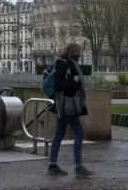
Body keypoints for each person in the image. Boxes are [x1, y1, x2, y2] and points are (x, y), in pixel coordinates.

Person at [48, 43, 93, 177]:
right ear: (71, 52)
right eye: (77, 52)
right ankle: (78, 167)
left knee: (59, 135)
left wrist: (75, 81)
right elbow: (58, 85)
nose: (78, 55)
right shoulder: (64, 65)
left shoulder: (68, 64)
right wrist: (75, 81)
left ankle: (53, 164)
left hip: (65, 105)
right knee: (79, 133)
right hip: (67, 106)